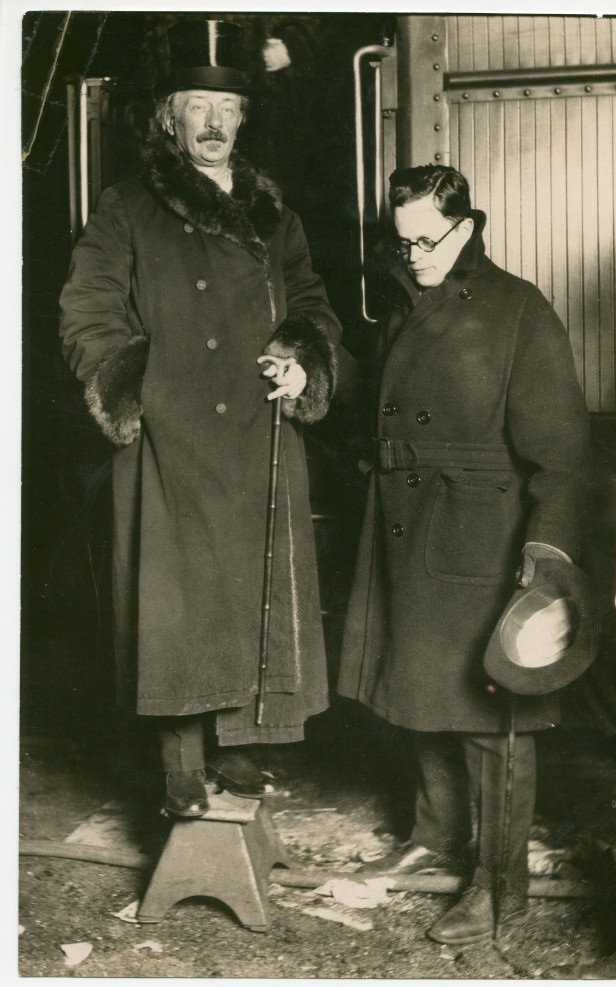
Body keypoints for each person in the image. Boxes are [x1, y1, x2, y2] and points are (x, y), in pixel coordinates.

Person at [59, 19, 345, 819]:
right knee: (177, 602)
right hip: (170, 432)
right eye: (198, 107)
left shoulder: (272, 212)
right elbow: (87, 310)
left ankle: (244, 747)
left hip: (259, 428)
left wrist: (303, 357)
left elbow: (314, 303)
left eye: (228, 107)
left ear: (244, 119)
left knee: (245, 588)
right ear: (170, 118)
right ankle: (179, 766)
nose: (215, 124)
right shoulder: (126, 207)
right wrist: (134, 392)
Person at [338, 164, 592, 945]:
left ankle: (498, 889)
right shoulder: (408, 302)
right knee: (419, 697)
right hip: (410, 529)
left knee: (492, 719)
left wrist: (545, 560)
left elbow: (564, 458)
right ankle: (437, 834)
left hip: (482, 542)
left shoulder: (519, 310)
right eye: (402, 239)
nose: (412, 253)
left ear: (468, 224)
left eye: (428, 238)